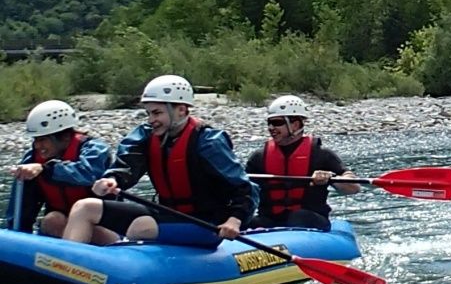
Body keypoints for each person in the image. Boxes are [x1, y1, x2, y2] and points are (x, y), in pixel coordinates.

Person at [61, 73, 254, 246]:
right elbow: (127, 166)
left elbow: (243, 188)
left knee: (141, 227)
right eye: (149, 113)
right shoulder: (145, 137)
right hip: (166, 215)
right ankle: (66, 267)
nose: (151, 119)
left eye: (157, 113)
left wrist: (234, 220)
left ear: (181, 110)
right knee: (84, 207)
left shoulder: (208, 142)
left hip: (206, 223)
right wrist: (112, 179)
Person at [246, 95, 357, 231]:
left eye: (277, 122)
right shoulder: (258, 157)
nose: (271, 127)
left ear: (295, 124)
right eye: (269, 123)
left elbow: (354, 187)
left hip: (310, 220)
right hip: (271, 220)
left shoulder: (321, 154)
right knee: (247, 222)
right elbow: (242, 190)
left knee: (298, 217)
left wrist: (332, 178)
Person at [8, 100, 113, 238]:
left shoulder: (95, 149)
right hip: (61, 221)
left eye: (43, 139)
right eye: (35, 140)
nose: (38, 146)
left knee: (97, 232)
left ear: (64, 136)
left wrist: (45, 169)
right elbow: (23, 205)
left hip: (99, 220)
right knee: (52, 220)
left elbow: (88, 173)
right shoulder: (33, 159)